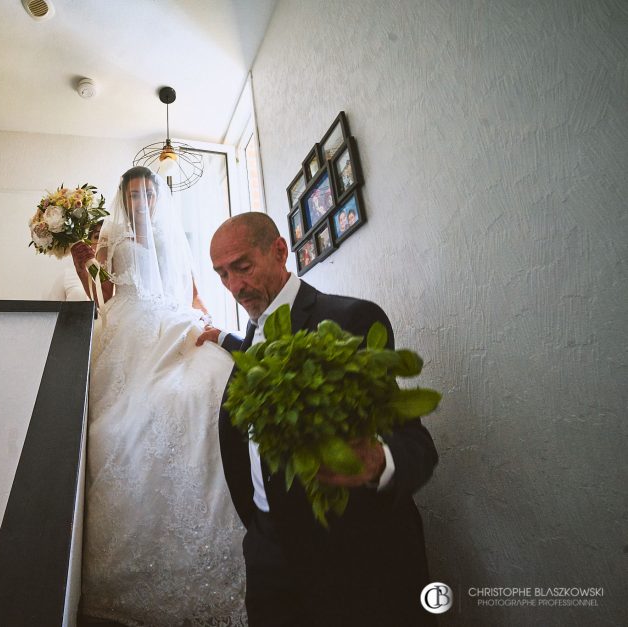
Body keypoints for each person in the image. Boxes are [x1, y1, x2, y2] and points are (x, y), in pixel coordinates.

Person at [206, 212, 438, 626]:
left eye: (242, 267)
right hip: (266, 556)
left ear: (280, 251)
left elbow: (414, 443)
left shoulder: (350, 320)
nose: (235, 287)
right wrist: (258, 534)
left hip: (348, 560)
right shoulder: (249, 341)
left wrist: (378, 461)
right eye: (222, 275)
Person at [70, 167, 246, 626]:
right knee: (121, 423)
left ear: (157, 196)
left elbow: (189, 289)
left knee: (209, 379)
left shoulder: (175, 234)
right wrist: (81, 263)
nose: (142, 200)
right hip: (128, 322)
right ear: (124, 198)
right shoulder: (109, 235)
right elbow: (102, 292)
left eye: (148, 193)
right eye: (134, 194)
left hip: (173, 319)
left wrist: (212, 324)